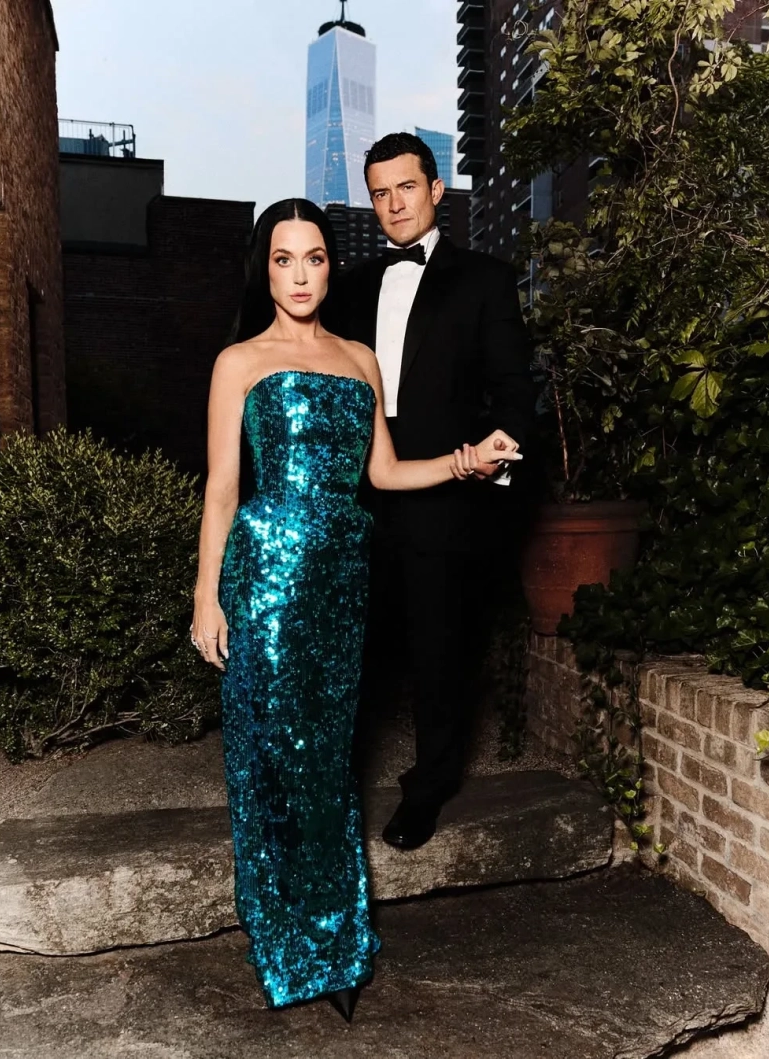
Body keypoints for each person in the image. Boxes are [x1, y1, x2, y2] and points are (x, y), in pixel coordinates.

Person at [190, 197, 520, 1022]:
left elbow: (383, 474)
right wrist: (206, 594)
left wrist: (466, 460)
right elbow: (223, 489)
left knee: (330, 764)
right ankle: (288, 941)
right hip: (267, 577)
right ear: (264, 269)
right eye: (283, 259)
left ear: (332, 267)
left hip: (341, 581)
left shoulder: (361, 359)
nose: (300, 275)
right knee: (274, 760)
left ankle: (335, 938)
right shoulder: (239, 362)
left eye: (314, 258)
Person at [331, 132, 535, 852]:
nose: (393, 204)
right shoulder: (349, 287)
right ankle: (333, 787)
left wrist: (493, 455)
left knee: (439, 653)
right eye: (380, 193)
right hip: (355, 496)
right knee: (352, 648)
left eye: (406, 187)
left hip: (446, 495)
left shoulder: (484, 280)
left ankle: (429, 787)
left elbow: (515, 393)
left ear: (437, 189)